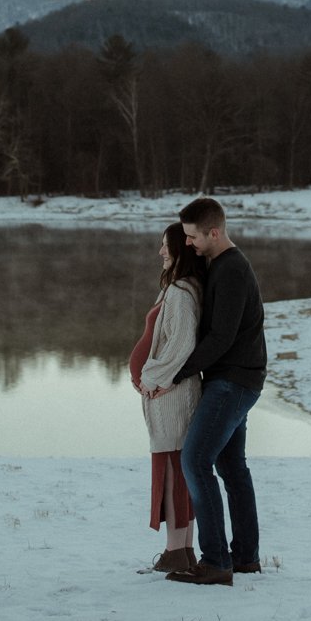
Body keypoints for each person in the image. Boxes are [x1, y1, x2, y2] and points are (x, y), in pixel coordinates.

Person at [146, 195, 266, 586]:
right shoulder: (220, 264)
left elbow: (221, 338)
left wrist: (176, 374)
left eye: (194, 237)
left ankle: (217, 562)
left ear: (214, 232)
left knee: (195, 461)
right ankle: (245, 557)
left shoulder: (231, 269)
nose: (189, 244)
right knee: (231, 468)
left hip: (232, 381)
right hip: (236, 379)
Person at [129, 221, 206, 573]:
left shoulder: (180, 292)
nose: (160, 252)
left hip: (171, 397)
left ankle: (177, 552)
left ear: (178, 250)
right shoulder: (178, 288)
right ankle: (183, 551)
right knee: (176, 468)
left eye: (165, 246)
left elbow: (180, 345)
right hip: (167, 393)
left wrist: (152, 378)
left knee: (174, 471)